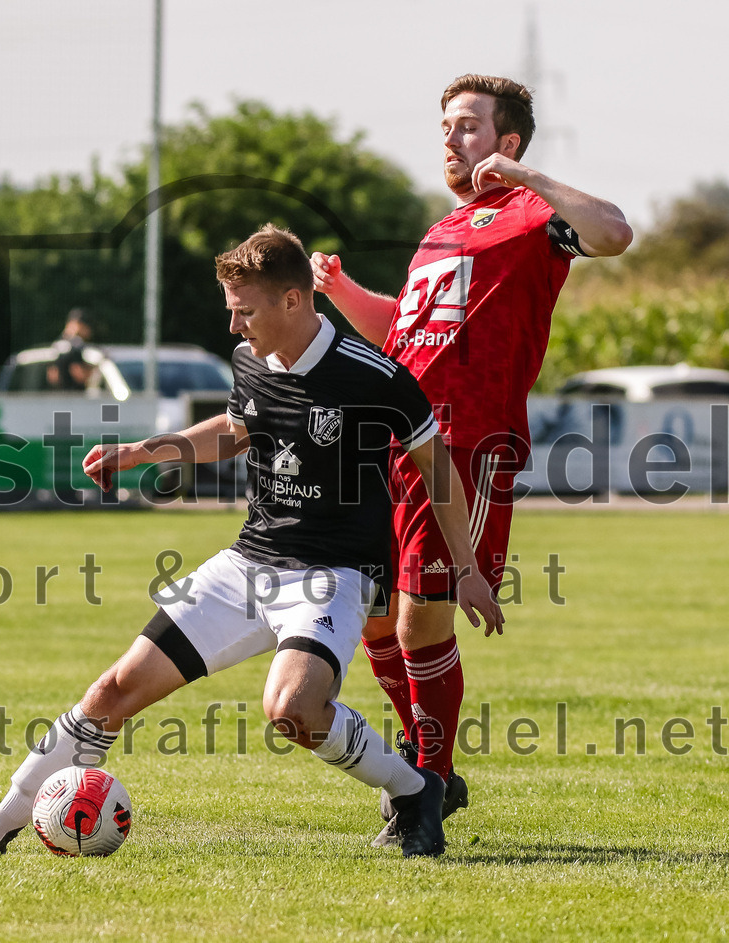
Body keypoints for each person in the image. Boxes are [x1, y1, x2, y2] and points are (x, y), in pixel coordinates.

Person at [0, 224, 503, 860]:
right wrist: (142, 452)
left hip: (332, 575)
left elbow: (439, 471)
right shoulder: (251, 362)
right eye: (230, 310)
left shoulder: (374, 377)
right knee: (111, 692)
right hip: (248, 563)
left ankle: (417, 792)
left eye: (244, 311)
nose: (234, 327)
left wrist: (465, 568)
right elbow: (236, 428)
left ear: (294, 301)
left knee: (293, 708)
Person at [310, 73, 633, 845]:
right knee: (377, 619)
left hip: (467, 442)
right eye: (445, 127)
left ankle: (422, 794)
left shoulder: (532, 216)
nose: (450, 140)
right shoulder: (441, 231)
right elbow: (406, 327)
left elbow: (617, 231)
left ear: (507, 141)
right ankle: (434, 771)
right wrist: (344, 291)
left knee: (423, 614)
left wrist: (527, 180)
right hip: (396, 437)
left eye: (466, 127)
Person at [47, 308, 96, 390]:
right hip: (75, 396)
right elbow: (79, 375)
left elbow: (52, 376)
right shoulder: (74, 347)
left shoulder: (57, 345)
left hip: (58, 396)